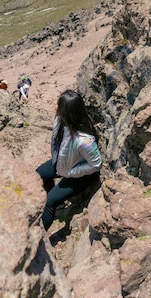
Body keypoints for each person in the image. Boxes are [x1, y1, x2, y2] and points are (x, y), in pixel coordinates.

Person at [36, 89, 102, 231]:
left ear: (65, 111)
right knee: (38, 175)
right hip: (64, 164)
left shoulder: (84, 139)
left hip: (78, 174)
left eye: (58, 103)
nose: (55, 104)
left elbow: (96, 164)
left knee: (49, 203)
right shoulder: (61, 120)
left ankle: (40, 239)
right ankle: (59, 204)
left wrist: (71, 172)